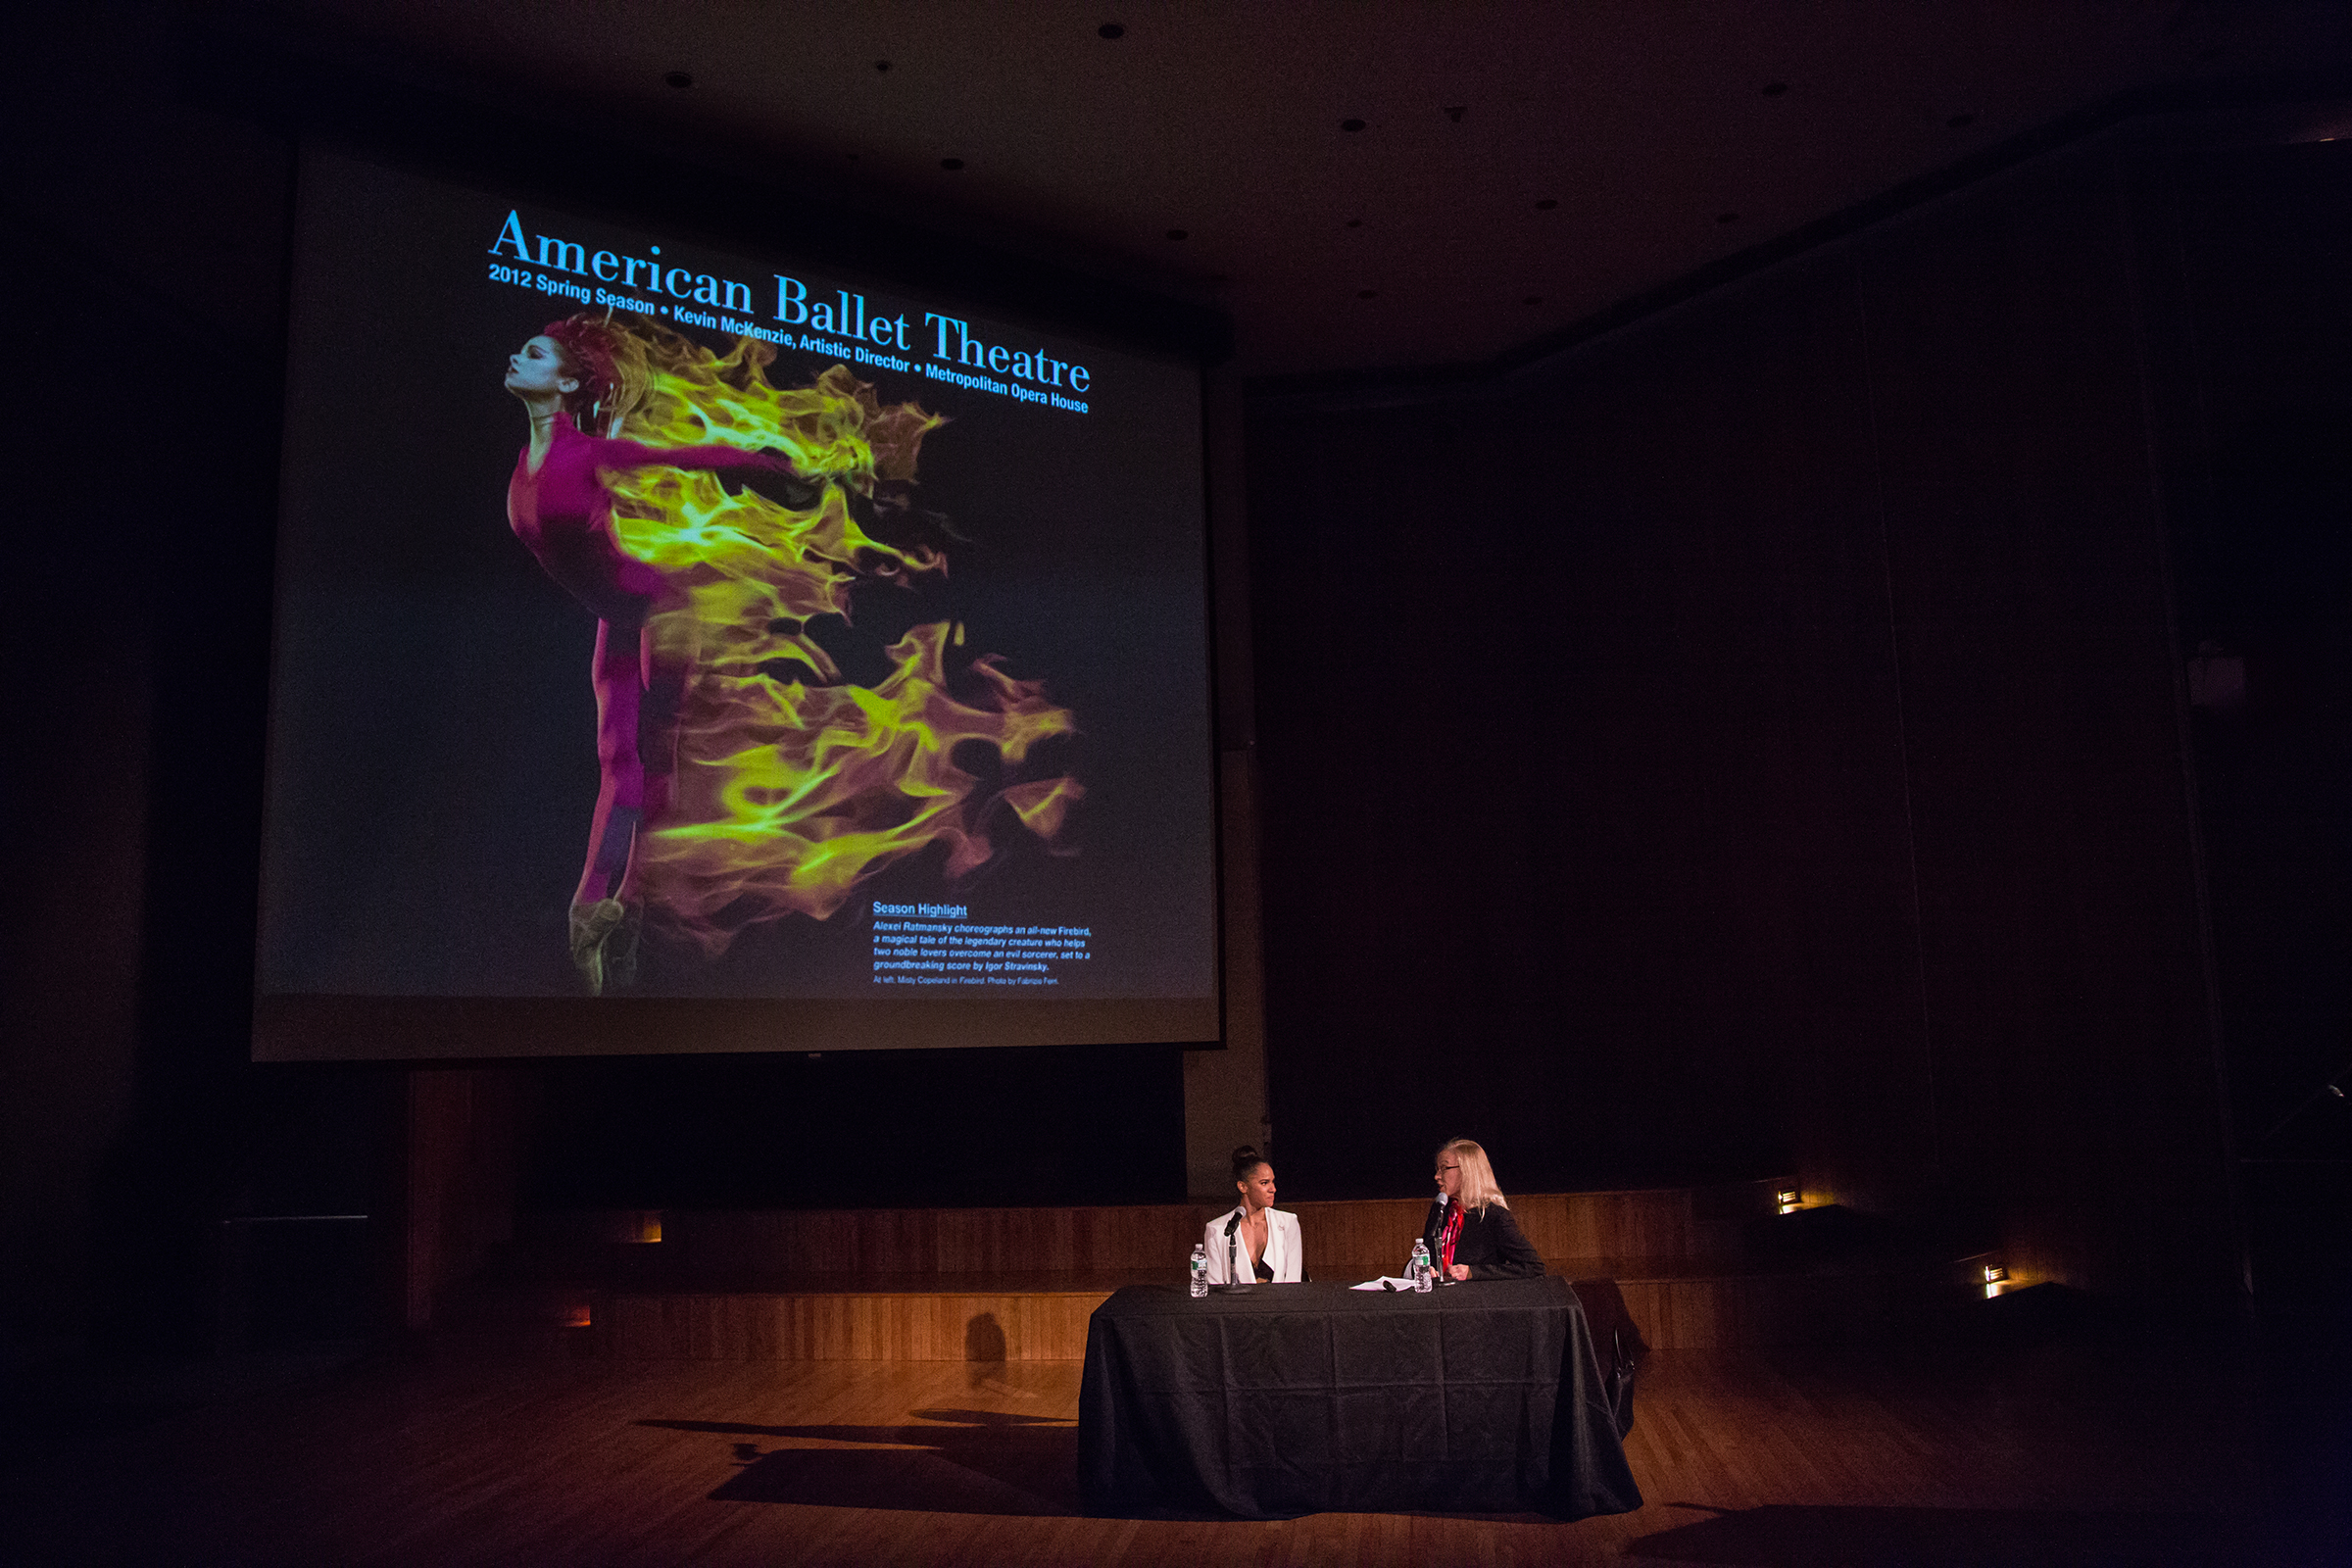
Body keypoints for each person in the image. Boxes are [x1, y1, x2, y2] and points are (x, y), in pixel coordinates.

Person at [503, 315, 798, 993]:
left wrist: (760, 456)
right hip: (616, 614)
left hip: (661, 609)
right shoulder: (527, 459)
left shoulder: (585, 454)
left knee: (653, 758)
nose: (517, 355)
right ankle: (590, 914)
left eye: (535, 352)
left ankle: (626, 909)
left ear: (567, 381)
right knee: (615, 761)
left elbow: (686, 459)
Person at [1422, 1138, 1543, 1281]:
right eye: (1437, 1169)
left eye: (1444, 1168)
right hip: (1439, 1299)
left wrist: (1473, 1272)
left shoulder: (1494, 1216)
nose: (1437, 1176)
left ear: (1467, 1171)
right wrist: (1424, 1269)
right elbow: (1423, 1253)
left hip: (1478, 1299)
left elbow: (1534, 1267)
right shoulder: (1441, 1210)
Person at [1202, 1145, 1301, 1284]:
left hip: (1280, 1305)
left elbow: (1293, 1281)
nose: (1273, 1189)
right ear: (1243, 1186)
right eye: (1264, 1183)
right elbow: (1215, 1286)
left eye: (1273, 1181)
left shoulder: (1288, 1223)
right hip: (1235, 1305)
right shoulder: (1217, 1230)